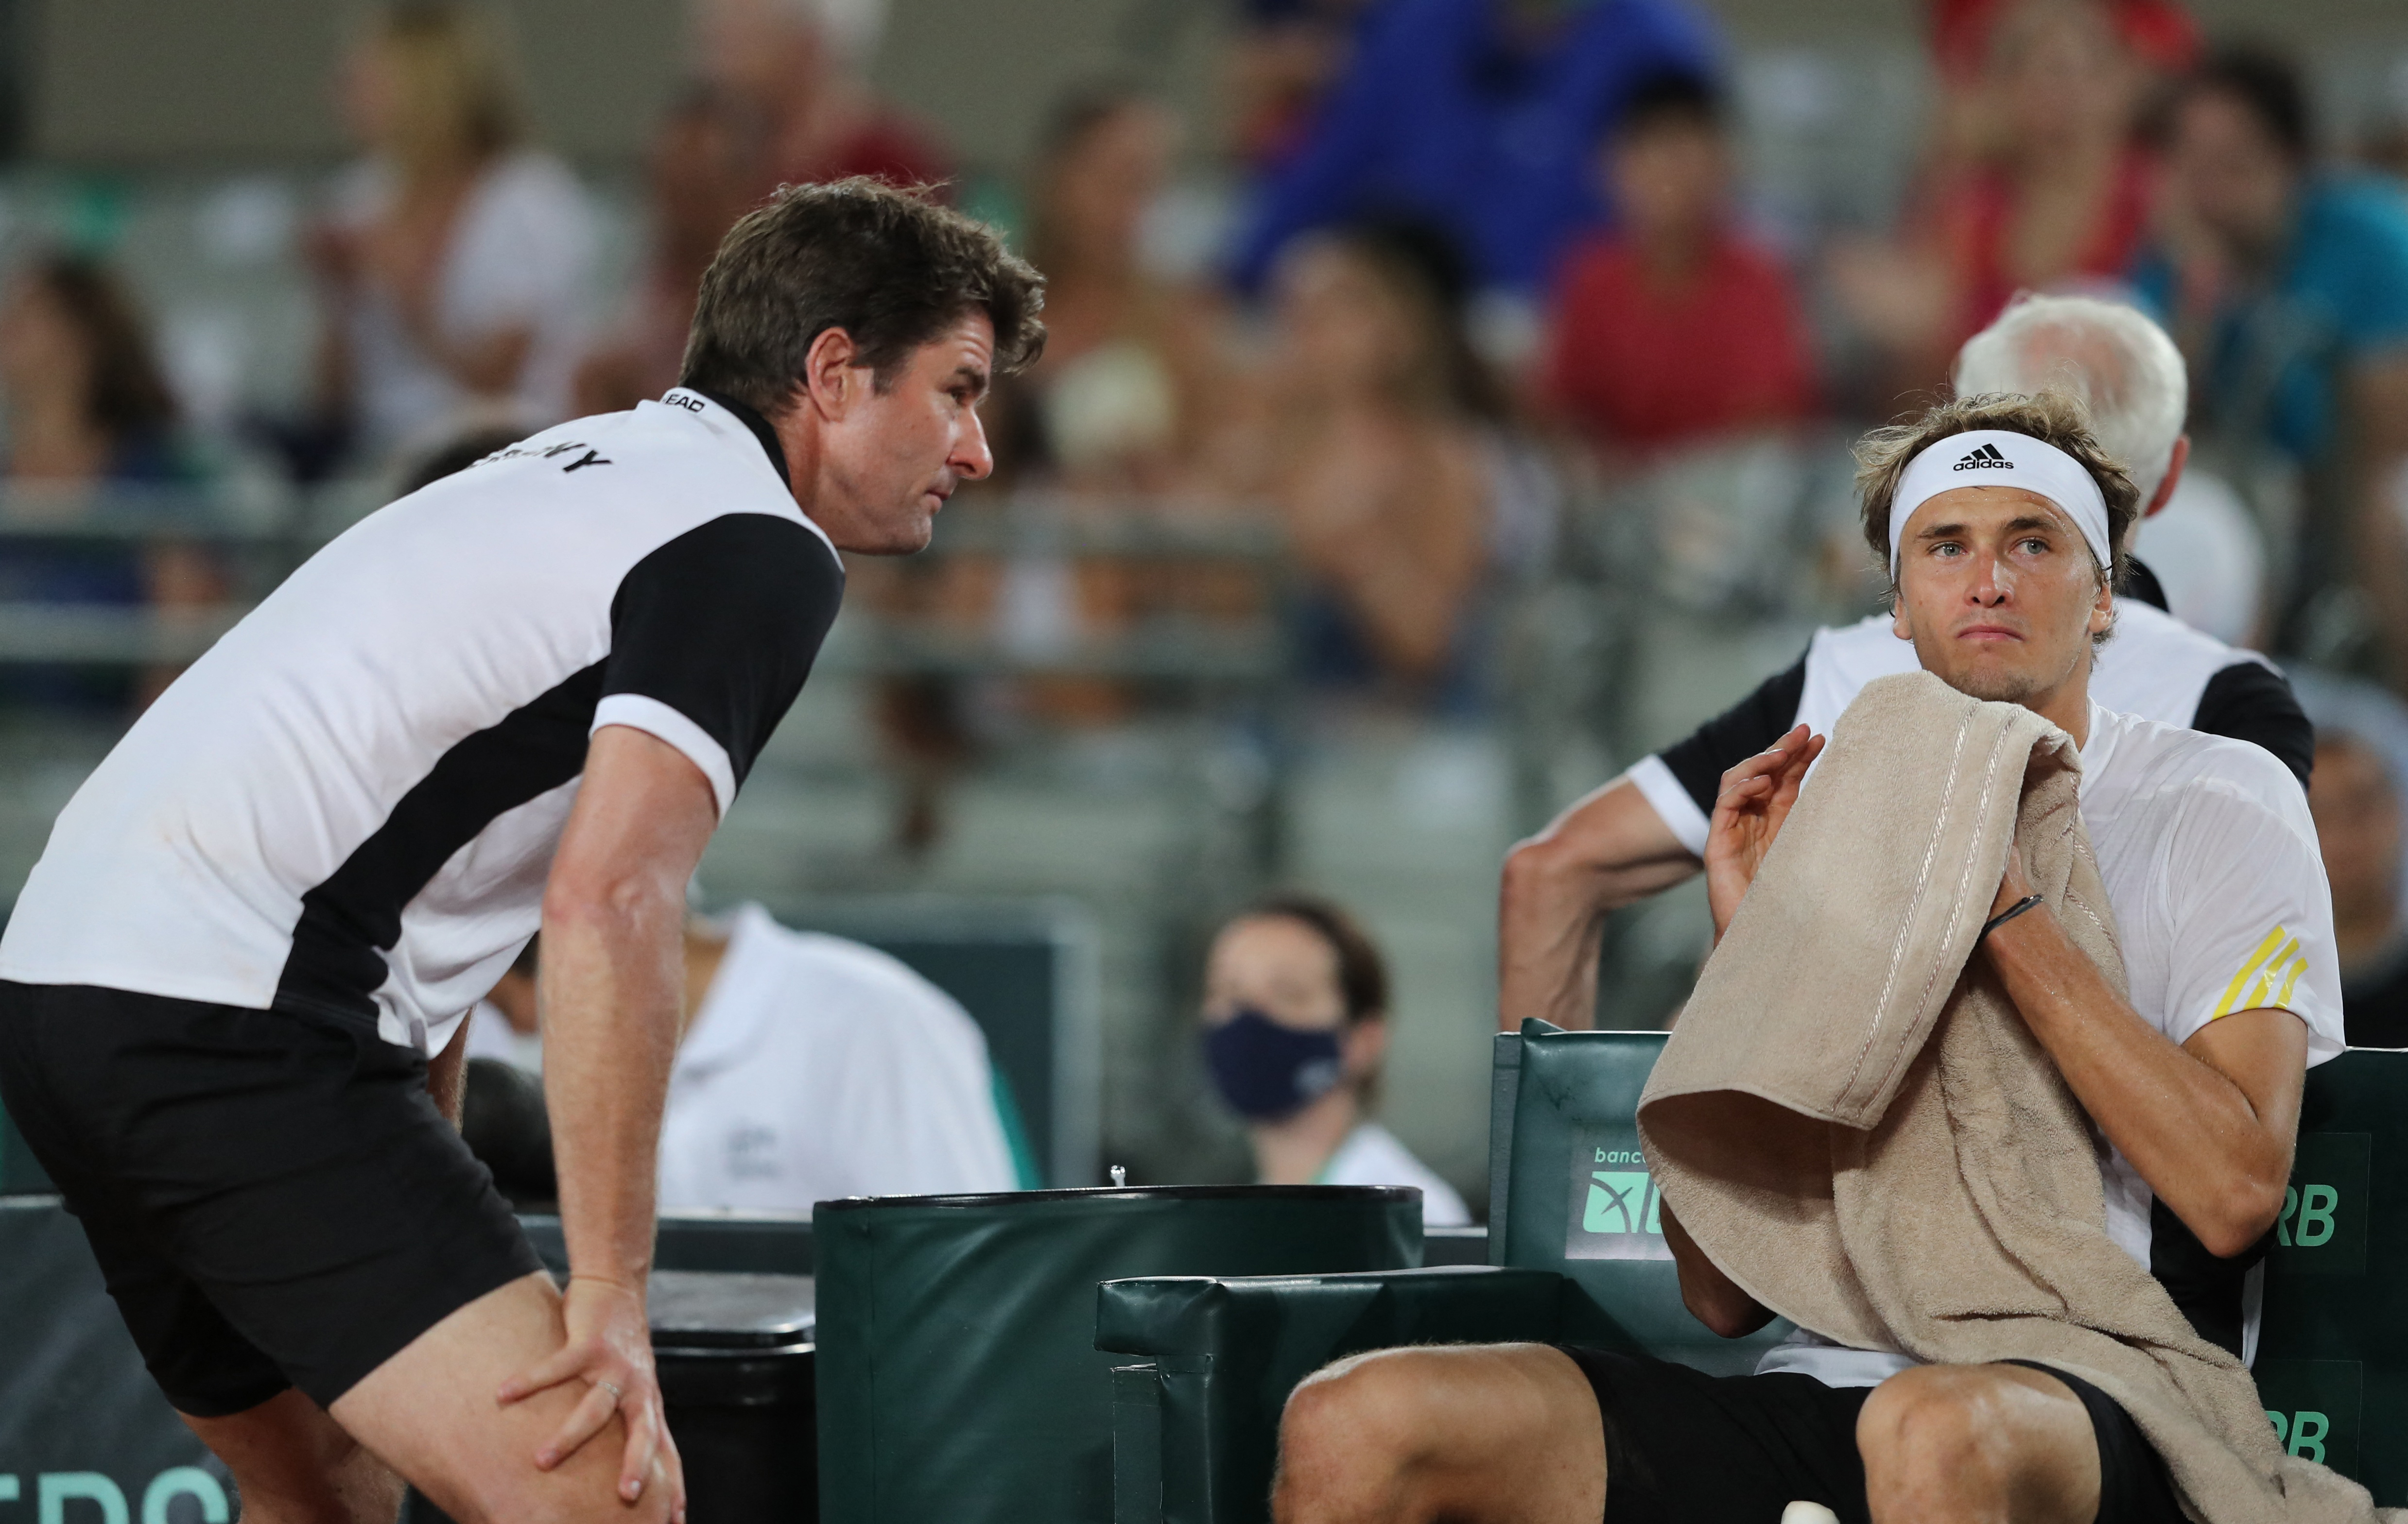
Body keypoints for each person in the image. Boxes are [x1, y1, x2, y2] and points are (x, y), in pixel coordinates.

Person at [0, 179, 1042, 1524]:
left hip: (63, 981)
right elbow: (610, 901)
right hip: (233, 1011)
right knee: (607, 1497)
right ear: (834, 372)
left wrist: (416, 1175)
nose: (976, 450)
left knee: (322, 1500)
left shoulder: (570, 469)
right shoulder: (755, 545)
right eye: (956, 391)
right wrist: (608, 1295)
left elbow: (425, 880)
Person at [1274, 390, 2338, 1524]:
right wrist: (1750, 949)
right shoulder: (1834, 822)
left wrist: (2000, 907)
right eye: (1945, 546)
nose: (1986, 580)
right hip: (1823, 1384)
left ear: (2104, 593)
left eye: (2031, 542)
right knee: (1355, 1420)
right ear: (1897, 606)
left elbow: (2230, 1194)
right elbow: (1718, 1295)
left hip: (2106, 1382)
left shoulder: (2217, 798)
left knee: (1923, 1431)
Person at [1500, 292, 2312, 1029]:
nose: (1991, 585)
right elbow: (2246, 1002)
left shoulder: (1835, 673)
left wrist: (1552, 1145)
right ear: (2167, 481)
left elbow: (1550, 872)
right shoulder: (2234, 701)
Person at [2134, 45, 2408, 676]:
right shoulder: (2171, 259)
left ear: (2289, 158)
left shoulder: (2368, 238)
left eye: (2233, 162)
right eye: (2189, 162)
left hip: (2359, 472)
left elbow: (2386, 431)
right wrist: (2198, 297)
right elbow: (2156, 425)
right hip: (2256, 487)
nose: (2210, 187)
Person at [472, 907, 1030, 1206]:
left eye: (504, 1001)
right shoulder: (529, 1066)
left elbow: (964, 1275)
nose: (517, 1027)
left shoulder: (868, 1020)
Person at [1222, 218, 1547, 702]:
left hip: (1402, 719)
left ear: (1396, 330)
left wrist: (1361, 554)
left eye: (1339, 304)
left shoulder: (1446, 458)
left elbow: (1430, 645)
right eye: (1293, 307)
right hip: (1269, 709)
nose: (1308, 325)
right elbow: (1216, 620)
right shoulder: (1249, 457)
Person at [1227, 0, 1720, 296]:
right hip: (1426, 336)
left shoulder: (1657, 46)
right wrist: (1232, 278)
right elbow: (1327, 171)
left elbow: (1693, 224)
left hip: (1578, 342)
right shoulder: (1417, 28)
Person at [1829, 0, 2174, 393]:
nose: (2066, 100)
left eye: (2086, 74)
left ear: (2122, 88)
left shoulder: (2158, 201)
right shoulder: (1971, 209)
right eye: (2046, 79)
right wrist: (1916, 341)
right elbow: (1913, 395)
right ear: (2003, 95)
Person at [310, 0, 597, 463]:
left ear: (423, 90)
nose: (343, 93)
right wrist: (336, 293)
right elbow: (331, 401)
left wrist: (409, 296)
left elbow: (497, 384)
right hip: (380, 450)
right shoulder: (362, 196)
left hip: (505, 451)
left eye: (367, 80)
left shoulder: (525, 200)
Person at [1539, 69, 1815, 458]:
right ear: (1610, 169)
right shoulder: (1589, 277)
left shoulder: (1758, 278)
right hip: (1613, 483)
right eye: (1651, 155)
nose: (1669, 177)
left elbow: (1771, 421)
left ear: (1723, 165)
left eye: (1684, 155)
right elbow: (1559, 412)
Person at [0, 253, 219, 710]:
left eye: (26, 314)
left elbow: (181, 638)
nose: (6, 327)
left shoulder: (157, 474)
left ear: (82, 337)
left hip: (113, 732)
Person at [1200, 894, 1470, 1227]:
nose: (1248, 1018)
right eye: (1228, 991)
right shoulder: (1245, 1215)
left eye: (1289, 993)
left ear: (1364, 1039)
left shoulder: (1409, 1218)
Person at [572, 86, 766, 418]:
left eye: (698, 192)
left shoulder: (772, 295)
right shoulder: (630, 270)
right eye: (667, 187)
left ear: (744, 188)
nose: (678, 213)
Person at [691, 0, 949, 196]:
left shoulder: (893, 166)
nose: (719, 47)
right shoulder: (712, 153)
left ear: (810, 41)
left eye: (743, 29)